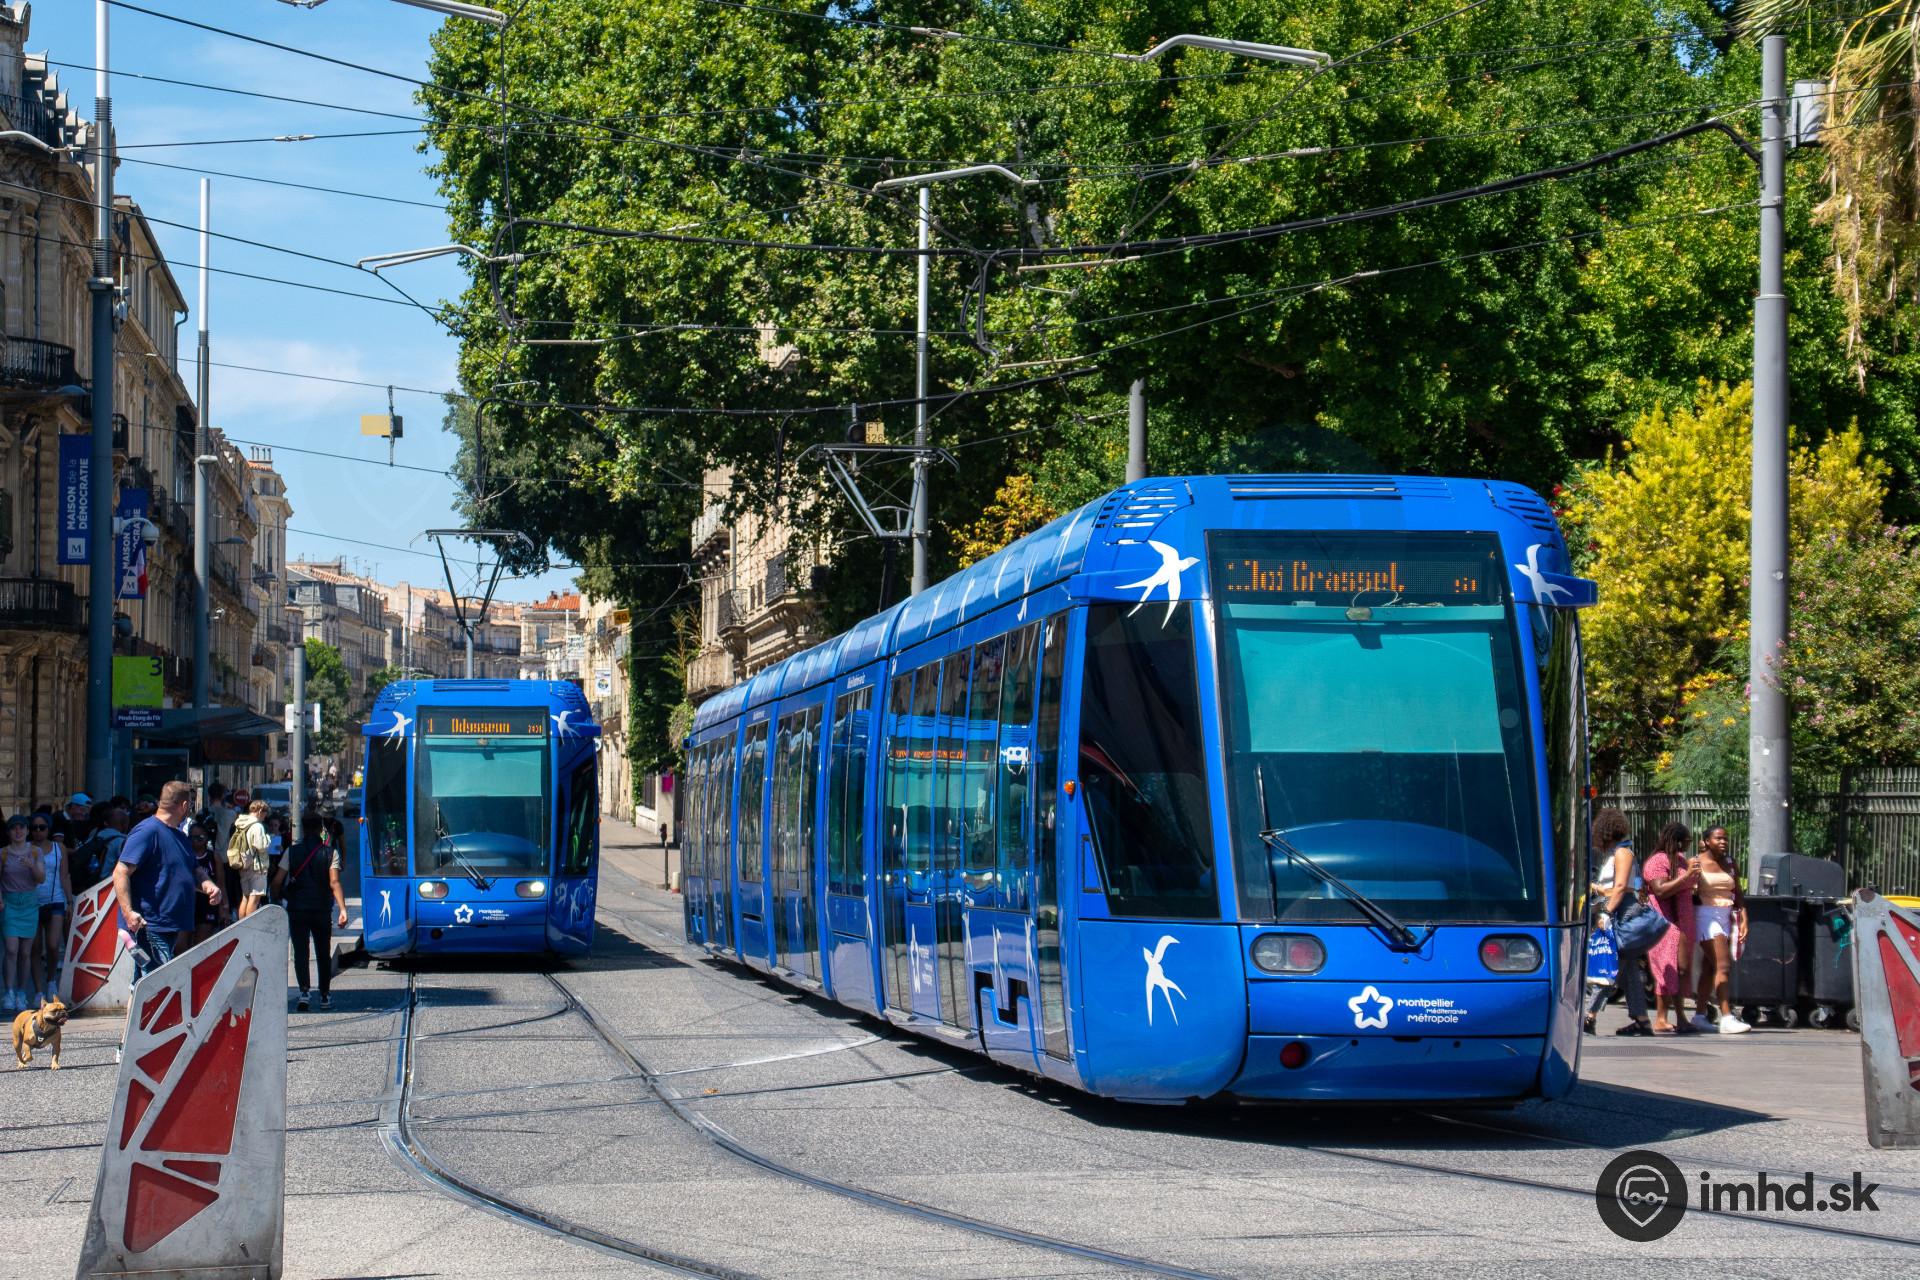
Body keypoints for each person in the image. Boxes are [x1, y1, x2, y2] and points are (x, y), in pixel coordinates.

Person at [114, 781, 224, 985]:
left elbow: (193, 869)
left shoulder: (180, 836)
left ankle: (136, 1006)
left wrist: (208, 884)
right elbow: (121, 872)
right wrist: (128, 912)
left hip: (169, 924)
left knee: (143, 985)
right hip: (150, 925)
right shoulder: (147, 831)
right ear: (184, 805)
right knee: (158, 984)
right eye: (190, 805)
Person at [273, 809, 348, 1012]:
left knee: (300, 952)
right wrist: (342, 909)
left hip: (297, 909)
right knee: (323, 952)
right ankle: (324, 995)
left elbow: (277, 881)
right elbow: (334, 882)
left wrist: (279, 899)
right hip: (321, 909)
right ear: (321, 829)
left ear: (303, 829)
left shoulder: (291, 852)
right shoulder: (330, 853)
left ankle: (304, 993)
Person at [1584, 808, 1651, 1036]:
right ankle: (1642, 1020)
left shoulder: (1623, 853)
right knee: (1628, 967)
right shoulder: (1617, 853)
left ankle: (1589, 1015)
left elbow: (1621, 887)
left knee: (1609, 963)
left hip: (1621, 911)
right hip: (1618, 909)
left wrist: (1606, 912)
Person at [1690, 825, 1751, 1034]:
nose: (1723, 842)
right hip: (1706, 915)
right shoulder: (1696, 862)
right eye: (1718, 838)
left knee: (1709, 966)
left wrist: (1744, 917)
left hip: (1727, 915)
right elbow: (1688, 890)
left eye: (1725, 838)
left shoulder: (1730, 863)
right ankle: (1726, 1016)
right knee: (1722, 965)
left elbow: (1737, 892)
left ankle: (1699, 1016)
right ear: (1707, 841)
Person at [1641, 820, 1699, 1034]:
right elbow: (1660, 890)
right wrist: (1687, 876)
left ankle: (1676, 1017)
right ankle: (1665, 1018)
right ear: (1677, 841)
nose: (1689, 844)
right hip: (1664, 923)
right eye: (1687, 840)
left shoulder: (1681, 860)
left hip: (1683, 922)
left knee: (1681, 969)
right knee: (1668, 968)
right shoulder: (1657, 861)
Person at [3, 815, 47, 1012]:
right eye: (14, 828)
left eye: (21, 828)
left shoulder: (36, 852)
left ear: (27, 831)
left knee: (25, 952)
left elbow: (41, 878)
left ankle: (21, 992)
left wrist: (31, 865)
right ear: (9, 832)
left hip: (29, 904)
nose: (18, 831)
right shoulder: (3, 853)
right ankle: (9, 992)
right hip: (10, 903)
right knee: (11, 949)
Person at [34, 826, 73, 1001]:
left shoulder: (59, 848)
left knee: (53, 944)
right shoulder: (28, 848)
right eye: (34, 828)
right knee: (35, 949)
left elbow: (64, 875)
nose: (38, 831)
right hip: (32, 902)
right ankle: (38, 991)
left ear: (48, 829)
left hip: (55, 899)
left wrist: (69, 901)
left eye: (42, 827)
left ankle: (51, 981)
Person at [227, 800, 273, 920]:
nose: (265, 817)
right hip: (256, 866)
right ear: (259, 811)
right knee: (254, 898)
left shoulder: (240, 824)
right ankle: (249, 925)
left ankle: (241, 925)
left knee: (245, 897)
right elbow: (261, 846)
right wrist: (268, 838)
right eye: (265, 813)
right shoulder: (257, 826)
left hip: (243, 863)